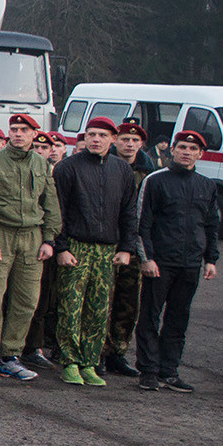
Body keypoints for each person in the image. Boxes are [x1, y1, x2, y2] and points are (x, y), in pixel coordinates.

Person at [0, 112, 59, 383]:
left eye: (24, 129)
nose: (18, 133)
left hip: (32, 238)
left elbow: (51, 203)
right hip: (1, 234)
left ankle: (10, 355)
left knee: (26, 301)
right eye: (14, 129)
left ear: (34, 134)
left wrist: (49, 239)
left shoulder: (41, 164)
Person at [51, 116, 138, 386]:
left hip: (107, 250)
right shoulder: (67, 168)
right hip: (76, 246)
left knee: (99, 309)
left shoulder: (122, 170)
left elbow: (129, 212)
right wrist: (61, 248)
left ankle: (90, 361)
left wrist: (126, 248)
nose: (95, 139)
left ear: (113, 139)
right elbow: (58, 212)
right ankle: (70, 361)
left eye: (101, 135)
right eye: (90, 134)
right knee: (71, 307)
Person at [133, 129, 221, 391]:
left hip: (190, 263)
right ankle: (148, 370)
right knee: (150, 316)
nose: (187, 152)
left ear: (200, 154)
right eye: (182, 147)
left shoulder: (207, 185)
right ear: (172, 150)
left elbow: (211, 225)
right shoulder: (156, 180)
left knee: (178, 318)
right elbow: (142, 222)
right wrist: (146, 259)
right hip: (160, 262)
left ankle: (169, 371)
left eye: (193, 149)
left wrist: (210, 259)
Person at [103, 120, 156, 374]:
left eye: (135, 140)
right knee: (103, 299)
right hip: (107, 239)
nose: (129, 144)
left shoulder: (149, 171)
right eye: (124, 139)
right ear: (115, 140)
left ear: (142, 144)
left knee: (128, 301)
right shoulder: (104, 163)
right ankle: (98, 352)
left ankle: (118, 352)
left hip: (133, 243)